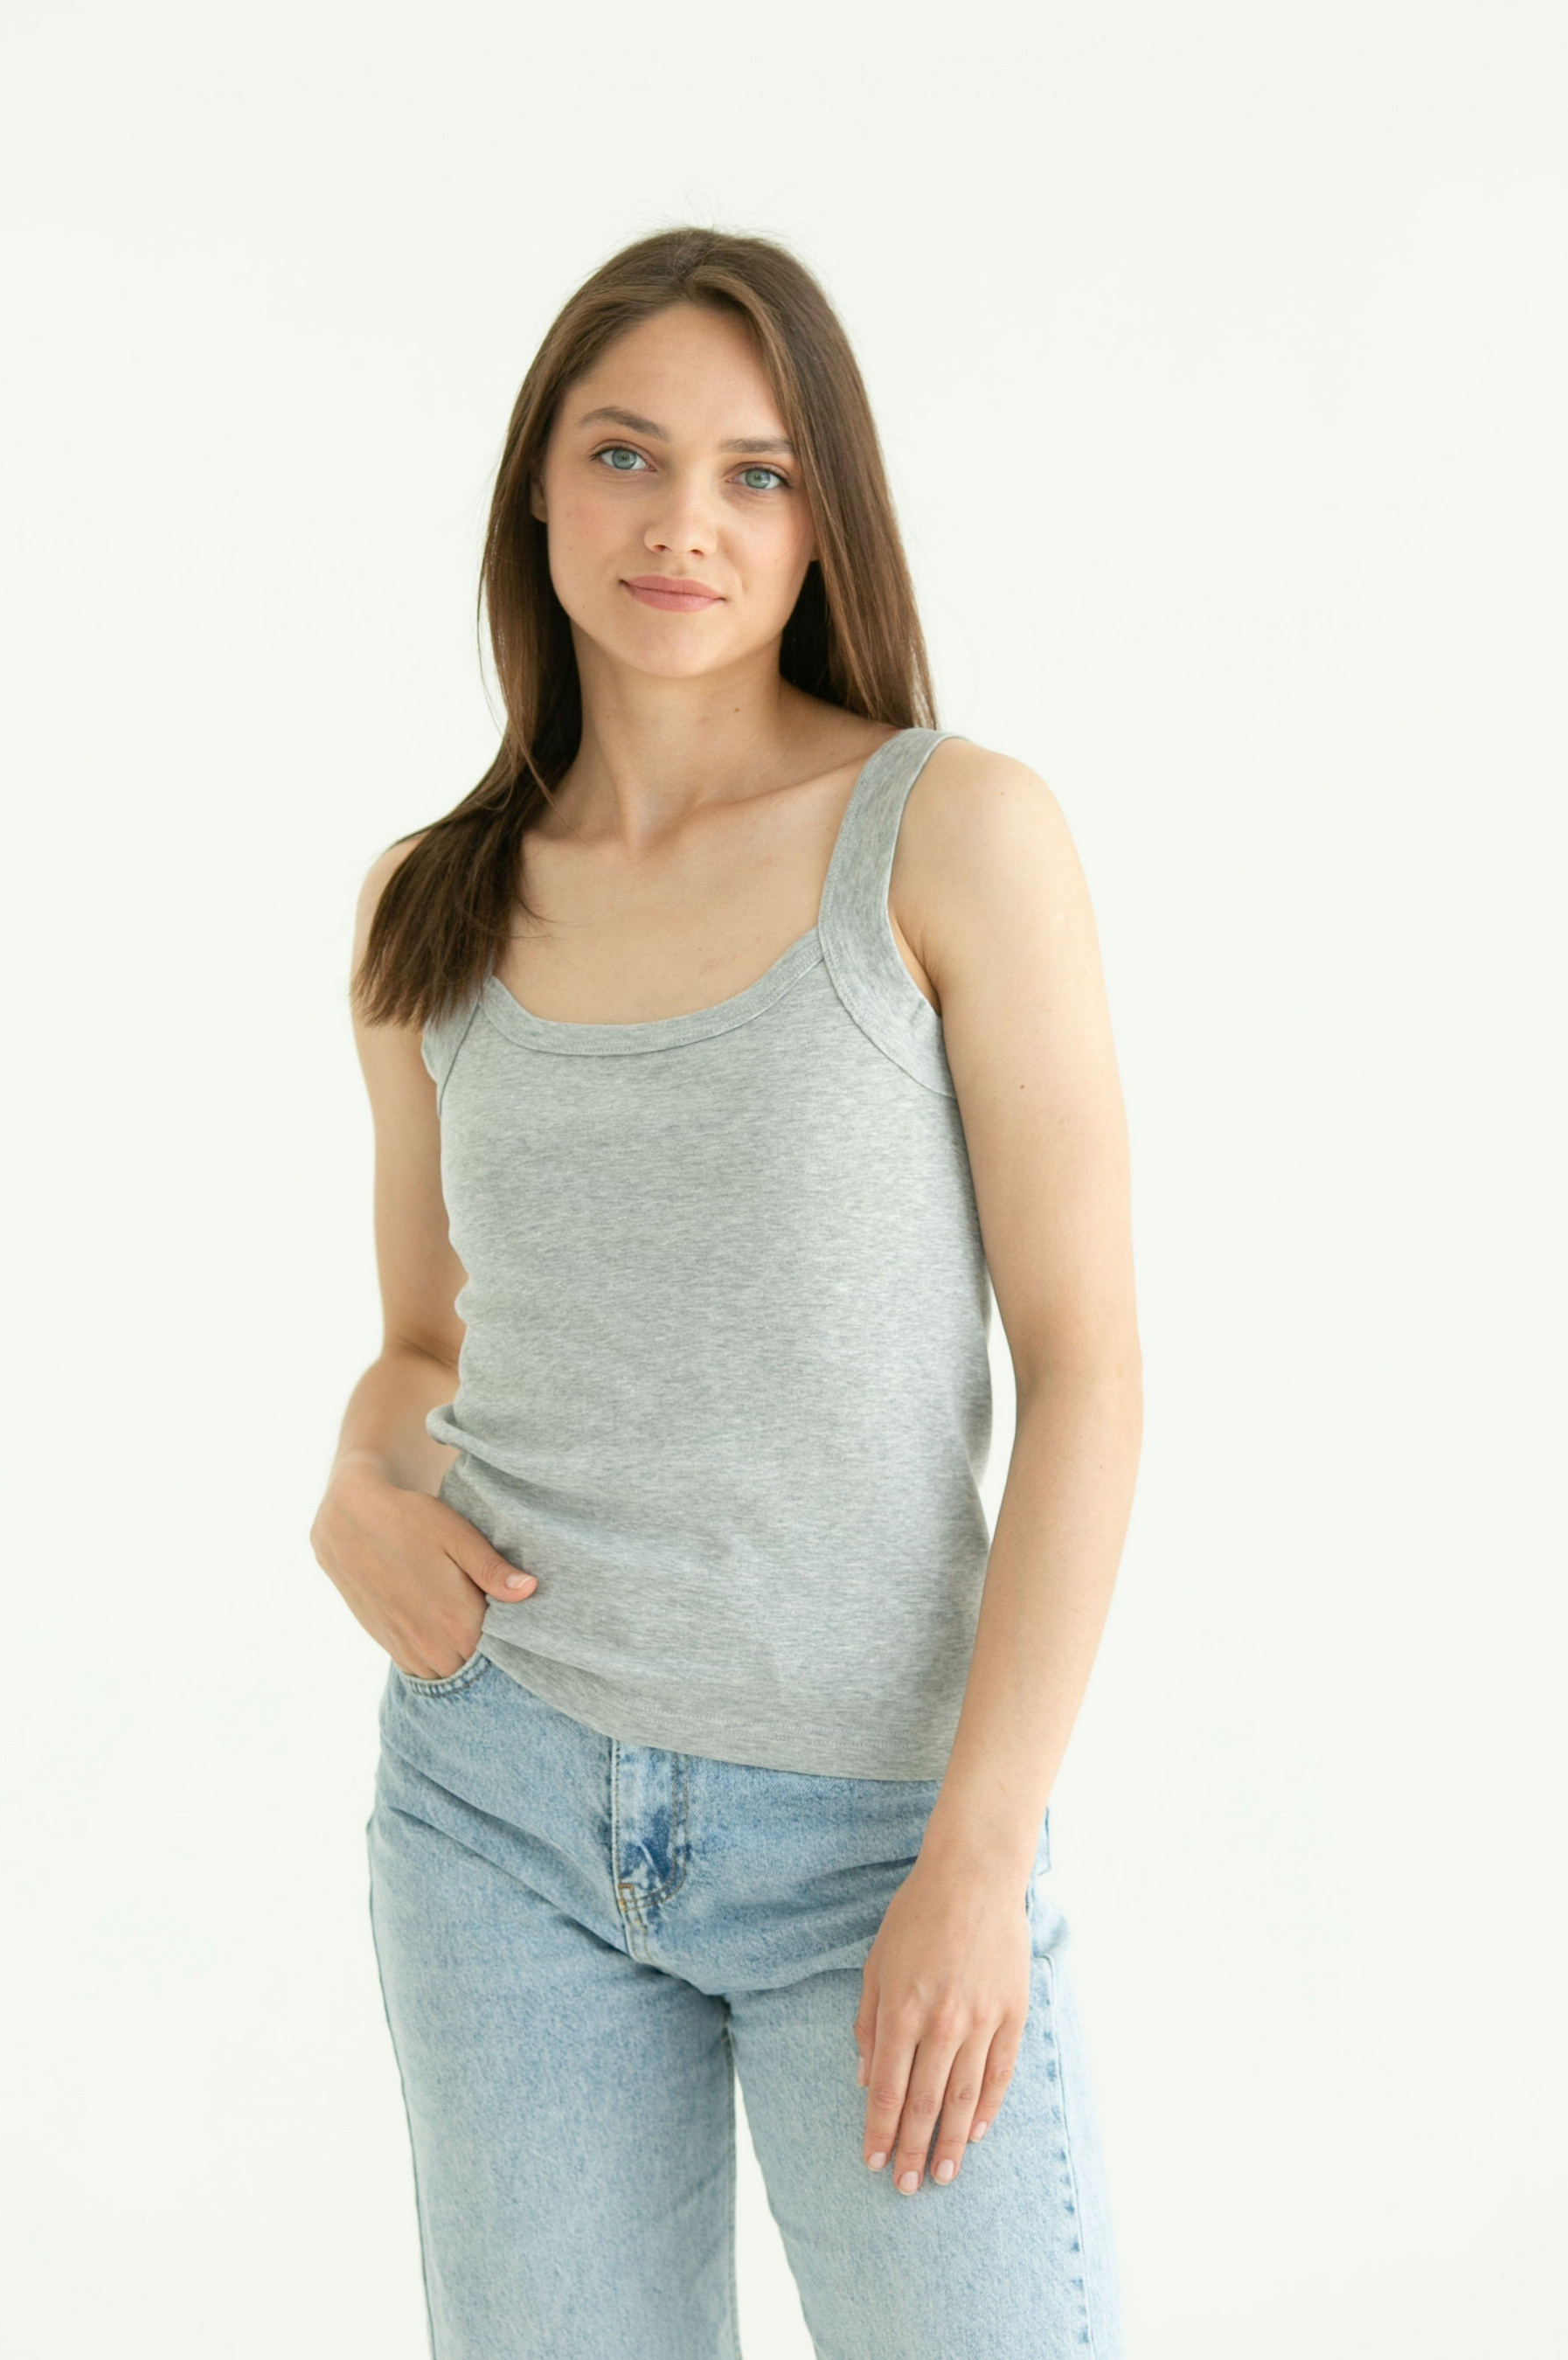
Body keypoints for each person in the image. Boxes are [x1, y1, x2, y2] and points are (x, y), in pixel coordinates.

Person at [309, 225, 1141, 2360]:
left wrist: (973, 1861)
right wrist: (354, 1484)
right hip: (497, 1813)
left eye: (754, 473)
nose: (683, 519)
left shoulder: (946, 835)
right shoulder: (427, 911)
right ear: (537, 487)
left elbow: (1084, 1369)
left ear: (818, 519)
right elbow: (423, 1344)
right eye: (625, 454)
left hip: (874, 1834)